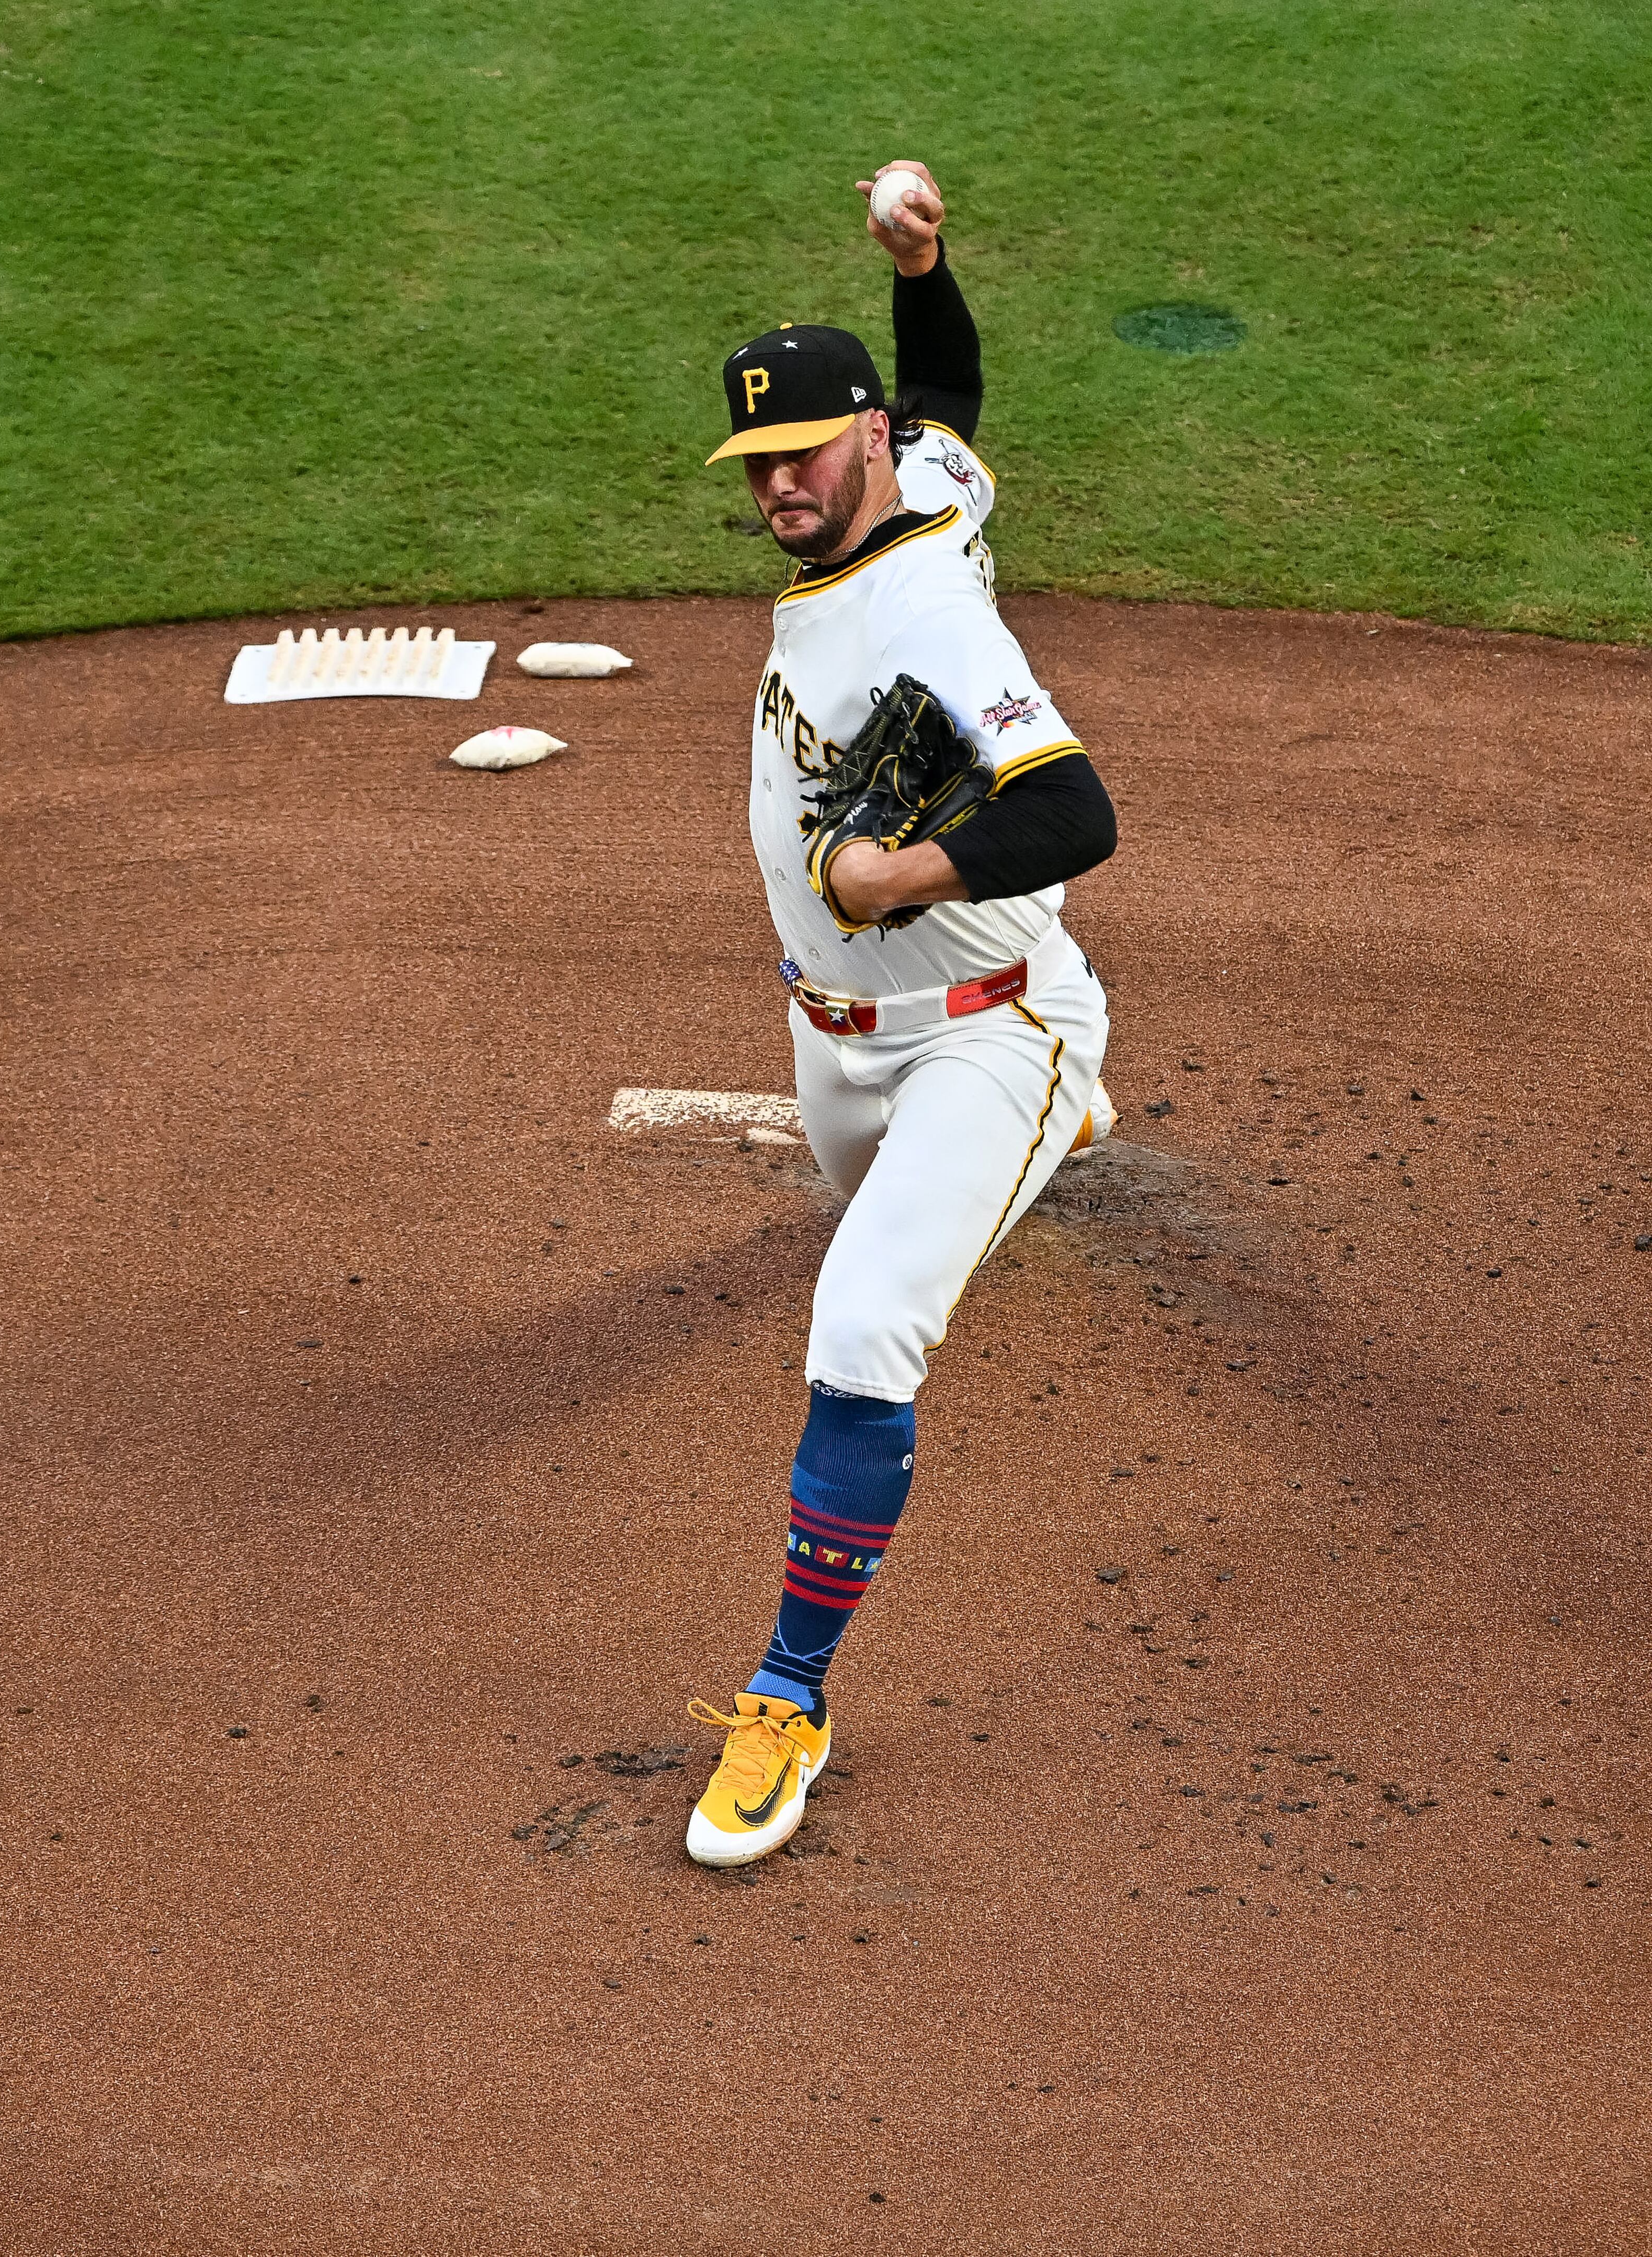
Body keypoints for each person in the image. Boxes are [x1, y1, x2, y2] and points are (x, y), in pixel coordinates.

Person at [683, 162, 1119, 1867]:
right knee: (846, 1201)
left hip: (981, 1020)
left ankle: (788, 1696)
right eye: (755, 464)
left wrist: (906, 874)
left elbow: (1078, 813)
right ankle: (1026, 1131)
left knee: (860, 1319)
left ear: (853, 444)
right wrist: (927, 266)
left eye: (802, 456)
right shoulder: (915, 469)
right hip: (835, 1040)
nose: (780, 486)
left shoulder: (930, 604)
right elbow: (949, 395)